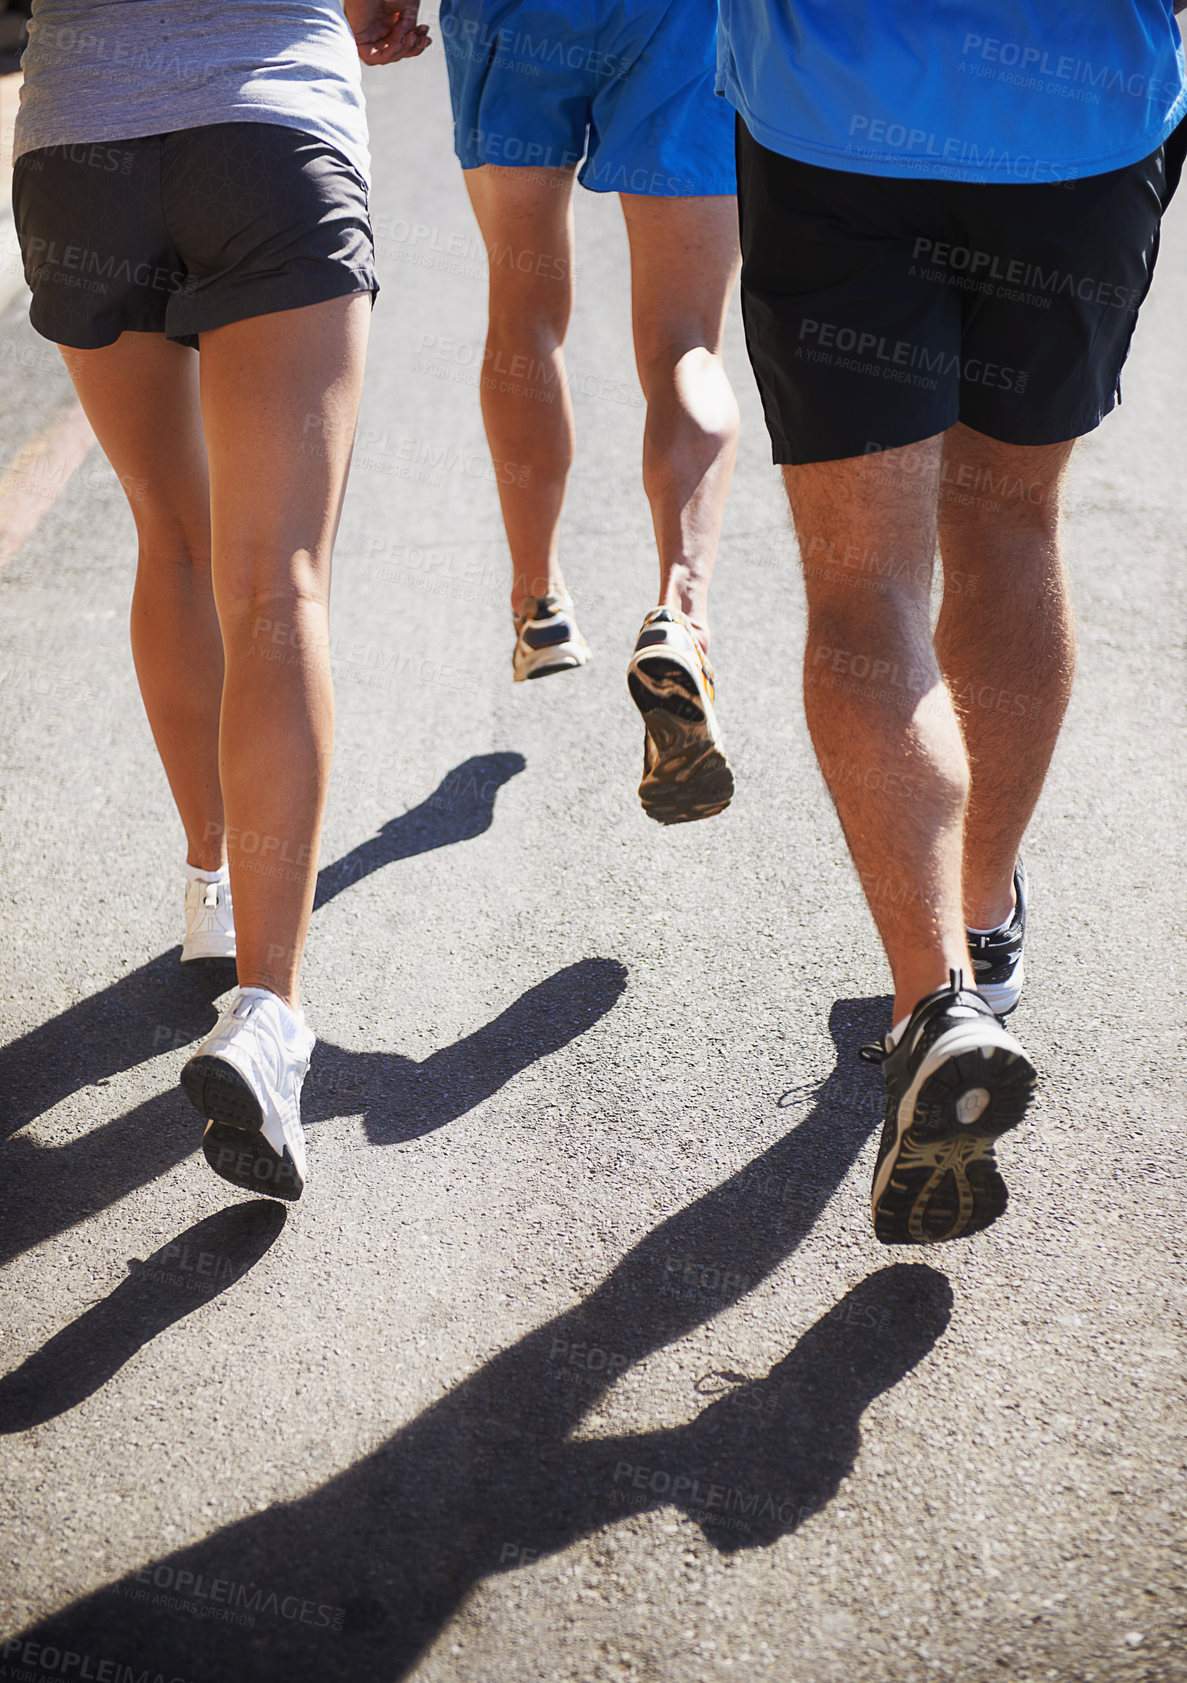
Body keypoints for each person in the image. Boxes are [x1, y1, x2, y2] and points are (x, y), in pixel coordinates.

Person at [717, 2, 1186, 1240]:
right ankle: (979, 926)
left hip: (836, 121)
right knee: (1009, 524)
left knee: (865, 579)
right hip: (1079, 125)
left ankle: (934, 994)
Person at [11, 0, 429, 1199]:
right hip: (268, 129)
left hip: (80, 143)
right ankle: (268, 1011)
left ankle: (211, 880)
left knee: (175, 538)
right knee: (278, 580)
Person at [439, 0, 741, 824]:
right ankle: (680, 614)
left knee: (522, 310)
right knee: (688, 345)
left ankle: (538, 603)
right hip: (680, 19)